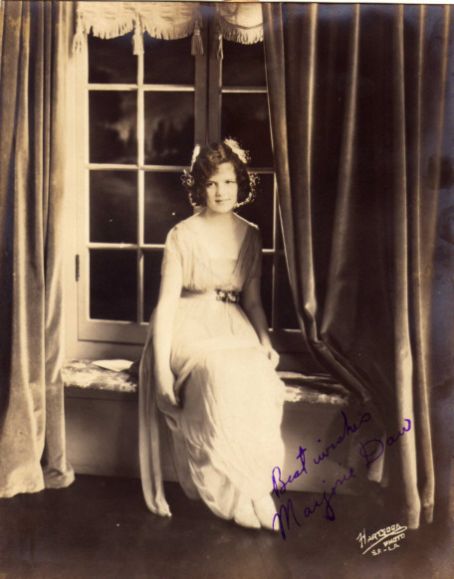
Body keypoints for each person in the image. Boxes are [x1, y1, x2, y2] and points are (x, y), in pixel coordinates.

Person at [138, 139, 285, 530]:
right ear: (200, 188)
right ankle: (236, 497)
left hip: (232, 322)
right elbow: (166, 305)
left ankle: (255, 489)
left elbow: (252, 302)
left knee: (257, 373)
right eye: (212, 183)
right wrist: (162, 372)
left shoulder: (251, 234)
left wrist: (266, 344)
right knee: (219, 373)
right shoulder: (182, 234)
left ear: (240, 185)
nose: (221, 191)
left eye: (229, 182)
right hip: (186, 323)